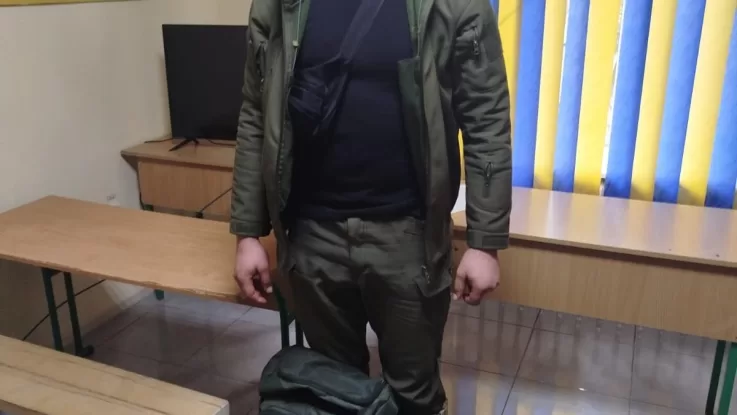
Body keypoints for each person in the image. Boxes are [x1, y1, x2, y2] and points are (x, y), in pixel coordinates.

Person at [231, 0, 512, 413]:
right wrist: (247, 231)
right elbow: (256, 113)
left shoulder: (454, 5)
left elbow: (486, 119)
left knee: (415, 396)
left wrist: (485, 242)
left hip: (409, 238)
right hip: (312, 237)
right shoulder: (278, 5)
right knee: (332, 392)